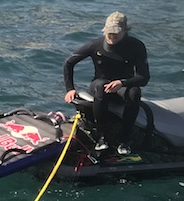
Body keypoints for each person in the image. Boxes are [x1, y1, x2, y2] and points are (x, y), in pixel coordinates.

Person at [63, 11, 149, 155]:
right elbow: (68, 63)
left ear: (125, 31)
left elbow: (144, 78)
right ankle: (102, 137)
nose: (111, 37)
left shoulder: (136, 46)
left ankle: (124, 140)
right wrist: (70, 88)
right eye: (109, 33)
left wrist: (122, 83)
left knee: (135, 92)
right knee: (101, 86)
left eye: (115, 34)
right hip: (99, 86)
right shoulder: (95, 45)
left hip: (122, 87)